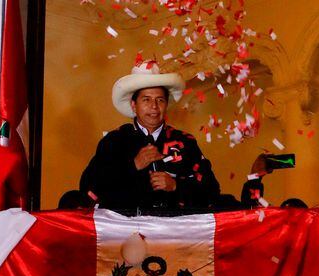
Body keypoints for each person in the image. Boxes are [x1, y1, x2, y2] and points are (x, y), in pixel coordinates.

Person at [80, 61, 220, 210]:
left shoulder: (185, 142)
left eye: (160, 100)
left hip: (175, 230)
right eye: (146, 99)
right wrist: (133, 166)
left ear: (166, 104)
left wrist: (175, 186)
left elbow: (212, 190)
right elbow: (89, 189)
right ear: (134, 105)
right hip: (125, 230)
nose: (154, 106)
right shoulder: (114, 141)